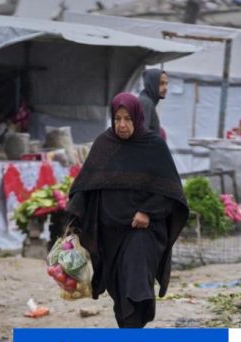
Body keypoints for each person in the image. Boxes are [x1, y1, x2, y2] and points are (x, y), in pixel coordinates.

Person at [66, 92, 188, 328]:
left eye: (127, 119)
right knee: (119, 290)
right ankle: (129, 334)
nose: (122, 125)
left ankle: (133, 332)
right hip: (110, 233)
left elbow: (170, 191)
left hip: (141, 232)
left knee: (136, 284)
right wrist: (74, 217)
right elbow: (86, 184)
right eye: (117, 119)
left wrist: (148, 211)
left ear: (137, 118)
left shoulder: (153, 146)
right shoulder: (105, 144)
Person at [137, 68, 168, 139]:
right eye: (161, 83)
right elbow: (141, 135)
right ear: (151, 83)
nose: (165, 88)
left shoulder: (149, 102)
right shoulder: (145, 103)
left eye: (166, 83)